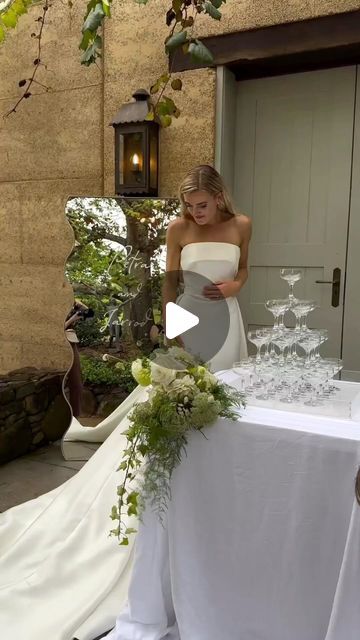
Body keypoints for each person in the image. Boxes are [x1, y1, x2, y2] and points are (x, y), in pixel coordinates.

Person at [0, 165, 252, 640]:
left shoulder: (242, 225)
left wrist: (237, 286)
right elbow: (169, 285)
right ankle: (160, 487)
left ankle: (211, 487)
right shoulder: (179, 229)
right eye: (189, 206)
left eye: (202, 205)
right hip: (192, 320)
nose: (195, 213)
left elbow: (244, 269)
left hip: (230, 321)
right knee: (174, 402)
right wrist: (173, 331)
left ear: (220, 197)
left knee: (220, 408)